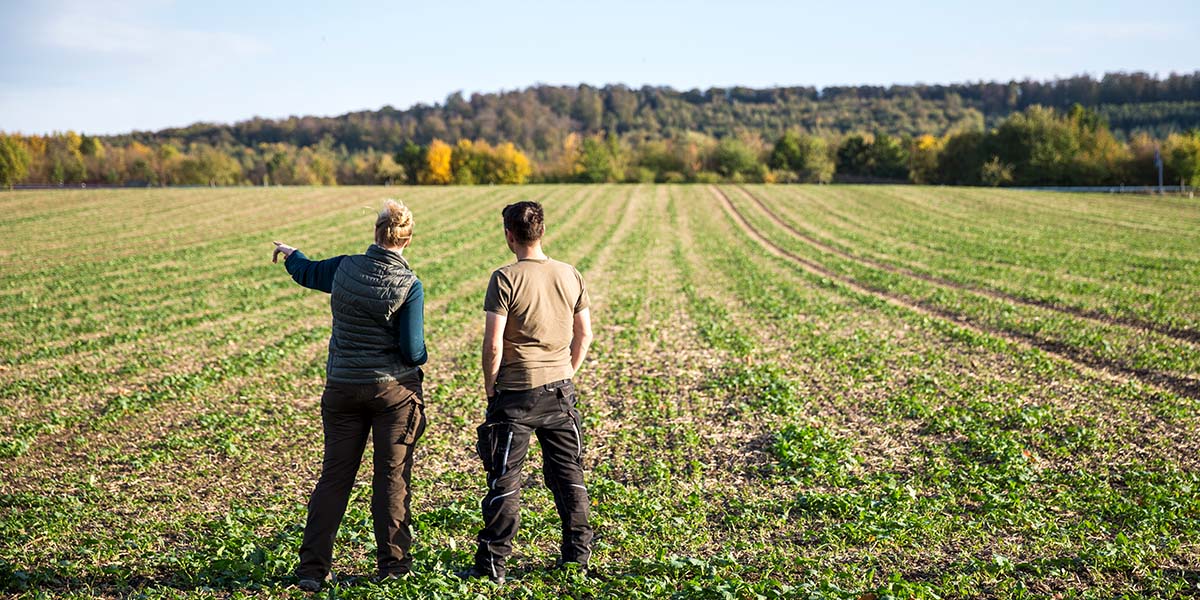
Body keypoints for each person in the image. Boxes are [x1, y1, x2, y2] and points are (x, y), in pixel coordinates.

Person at [272, 199, 428, 592]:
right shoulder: (409, 285)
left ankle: (312, 569)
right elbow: (413, 351)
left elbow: (307, 272)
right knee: (390, 479)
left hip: (341, 389)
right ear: (407, 240)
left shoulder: (345, 267)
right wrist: (422, 355)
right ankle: (392, 567)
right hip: (391, 394)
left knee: (335, 478)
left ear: (376, 234)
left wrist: (293, 254)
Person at [459, 200, 595, 584]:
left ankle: (493, 567)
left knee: (505, 480)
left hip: (515, 394)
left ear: (508, 235)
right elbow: (585, 334)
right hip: (559, 392)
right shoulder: (570, 274)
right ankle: (577, 559)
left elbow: (493, 344)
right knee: (569, 475)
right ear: (542, 231)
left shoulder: (504, 278)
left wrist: (491, 387)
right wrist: (568, 371)